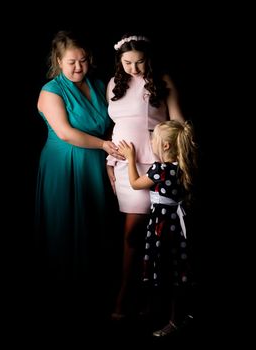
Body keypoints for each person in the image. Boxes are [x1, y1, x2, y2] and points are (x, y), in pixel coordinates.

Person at [35, 30, 123, 290]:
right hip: (63, 164)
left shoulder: (98, 84)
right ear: (59, 61)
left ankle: (93, 281)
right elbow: (65, 132)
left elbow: (111, 122)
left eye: (83, 60)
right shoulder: (50, 90)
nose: (78, 67)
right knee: (65, 223)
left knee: (94, 222)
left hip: (95, 162)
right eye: (71, 61)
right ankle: (63, 285)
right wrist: (104, 145)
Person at [106, 33, 185, 319]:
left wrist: (176, 161)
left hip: (150, 165)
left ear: (148, 59)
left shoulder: (162, 80)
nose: (134, 69)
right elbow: (118, 126)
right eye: (127, 62)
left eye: (139, 62)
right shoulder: (114, 83)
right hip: (121, 165)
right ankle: (144, 298)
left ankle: (125, 298)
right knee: (140, 236)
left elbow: (179, 125)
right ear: (119, 60)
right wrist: (109, 164)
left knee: (134, 234)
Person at [118, 120, 198, 337]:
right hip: (177, 225)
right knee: (175, 270)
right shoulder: (183, 167)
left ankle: (174, 320)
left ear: (165, 146)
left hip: (163, 227)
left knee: (166, 270)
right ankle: (169, 312)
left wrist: (131, 158)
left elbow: (135, 183)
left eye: (154, 139)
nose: (151, 141)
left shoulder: (160, 169)